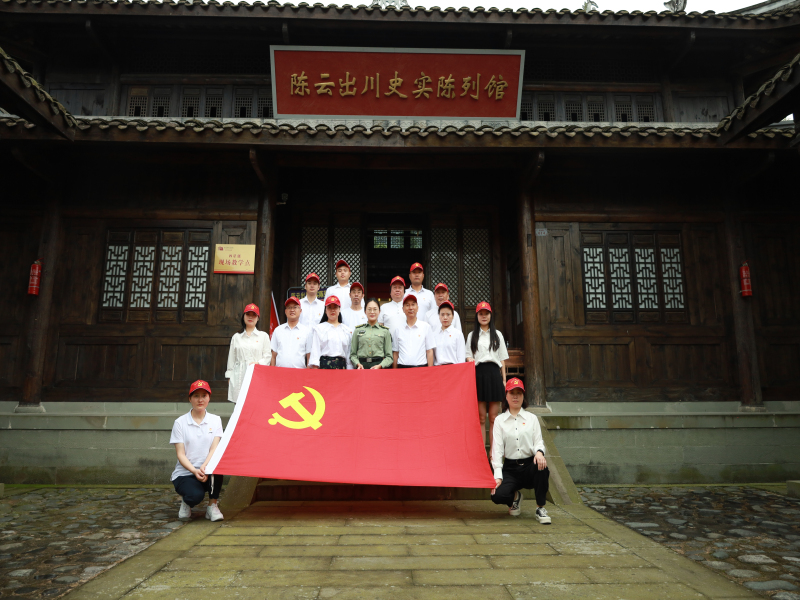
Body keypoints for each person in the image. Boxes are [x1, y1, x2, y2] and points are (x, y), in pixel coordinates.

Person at [490, 378, 551, 523]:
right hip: (510, 468)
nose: (515, 396)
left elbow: (538, 441)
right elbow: (497, 450)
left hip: (530, 465)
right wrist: (498, 476)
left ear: (523, 396)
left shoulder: (532, 418)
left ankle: (540, 508)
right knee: (497, 495)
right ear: (506, 396)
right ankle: (515, 498)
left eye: (519, 393)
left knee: (542, 466)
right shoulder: (499, 421)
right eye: (512, 393)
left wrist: (539, 452)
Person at [170, 380, 225, 522]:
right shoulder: (180, 422)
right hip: (186, 473)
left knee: (217, 466)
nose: (200, 400)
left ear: (209, 398)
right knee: (194, 496)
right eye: (196, 396)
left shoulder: (215, 420)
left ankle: (212, 506)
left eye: (204, 396)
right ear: (190, 399)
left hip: (207, 470)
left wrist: (204, 466)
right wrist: (194, 471)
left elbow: (214, 449)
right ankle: (186, 501)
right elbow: (180, 454)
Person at [465, 301, 509, 448]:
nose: (484, 316)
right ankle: (482, 452)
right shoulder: (472, 335)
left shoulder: (497, 335)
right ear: (477, 316)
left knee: (494, 418)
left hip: (494, 375)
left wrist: (504, 380)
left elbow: (502, 359)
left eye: (486, 313)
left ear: (491, 315)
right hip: (478, 375)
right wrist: (469, 359)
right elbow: (468, 355)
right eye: (481, 314)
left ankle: (493, 453)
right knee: (481, 418)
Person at [225, 303, 271, 403]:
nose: (250, 317)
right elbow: (231, 358)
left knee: (255, 403)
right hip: (238, 375)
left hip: (257, 374)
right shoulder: (236, 337)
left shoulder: (263, 336)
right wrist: (229, 377)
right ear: (243, 317)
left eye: (254, 315)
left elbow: (268, 356)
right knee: (239, 404)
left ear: (258, 318)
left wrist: (258, 363)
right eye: (248, 314)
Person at [392, 293, 436, 368]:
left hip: (420, 368)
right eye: (407, 305)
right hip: (402, 368)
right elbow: (396, 353)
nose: (410, 308)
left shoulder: (425, 327)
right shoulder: (398, 330)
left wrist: (430, 371)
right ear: (403, 309)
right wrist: (394, 371)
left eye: (413, 304)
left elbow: (429, 351)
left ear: (417, 308)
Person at [309, 296, 353, 370]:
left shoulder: (347, 330)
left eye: (335, 307)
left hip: (342, 367)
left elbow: (348, 354)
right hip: (324, 367)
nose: (332, 310)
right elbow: (315, 353)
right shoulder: (319, 329)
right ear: (325, 311)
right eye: (329, 307)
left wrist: (349, 370)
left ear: (339, 309)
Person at [350, 298, 393, 370]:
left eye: (375, 309)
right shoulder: (358, 330)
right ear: (365, 311)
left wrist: (381, 365)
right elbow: (353, 355)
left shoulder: (385, 331)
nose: (372, 312)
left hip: (378, 366)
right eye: (369, 309)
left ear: (379, 311)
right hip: (361, 367)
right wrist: (357, 364)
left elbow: (389, 357)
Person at [270, 297, 311, 368]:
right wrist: (272, 372)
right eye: (289, 307)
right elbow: (273, 355)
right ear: (285, 311)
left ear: (300, 311)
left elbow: (309, 356)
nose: (292, 310)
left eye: (295, 307)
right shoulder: (278, 330)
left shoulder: (306, 331)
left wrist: (307, 373)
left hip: (299, 372)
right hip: (279, 371)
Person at [432, 301, 466, 366]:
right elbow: (433, 356)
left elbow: (461, 357)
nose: (445, 317)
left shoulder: (458, 334)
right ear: (439, 316)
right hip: (438, 368)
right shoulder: (434, 334)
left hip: (453, 368)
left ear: (453, 316)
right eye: (442, 314)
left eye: (448, 314)